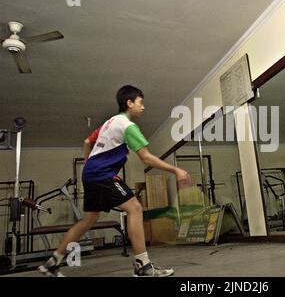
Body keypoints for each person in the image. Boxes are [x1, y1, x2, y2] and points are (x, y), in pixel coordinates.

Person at [38, 85, 191, 277]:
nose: (142, 107)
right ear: (129, 103)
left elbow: (87, 142)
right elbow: (146, 157)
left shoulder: (109, 122)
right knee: (134, 208)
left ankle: (53, 262)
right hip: (102, 174)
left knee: (88, 220)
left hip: (91, 173)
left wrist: (88, 162)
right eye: (140, 103)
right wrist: (176, 169)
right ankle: (143, 265)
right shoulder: (128, 126)